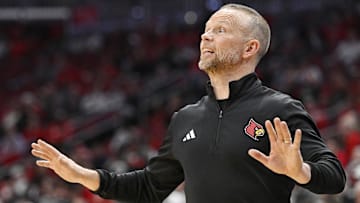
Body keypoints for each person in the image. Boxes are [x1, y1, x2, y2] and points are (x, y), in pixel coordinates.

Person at [31, 3, 346, 203]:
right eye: (205, 31)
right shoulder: (185, 118)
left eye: (219, 30)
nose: (205, 37)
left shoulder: (280, 110)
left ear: (250, 48)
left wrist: (301, 171)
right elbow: (150, 187)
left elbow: (334, 176)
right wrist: (83, 175)